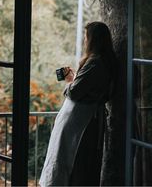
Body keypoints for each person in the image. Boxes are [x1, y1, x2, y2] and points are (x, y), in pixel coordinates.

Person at [39, 21, 117, 187]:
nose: (84, 41)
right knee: (73, 163)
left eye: (86, 37)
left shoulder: (95, 62)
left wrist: (69, 82)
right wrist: (75, 80)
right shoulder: (103, 62)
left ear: (93, 40)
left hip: (79, 122)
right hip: (82, 119)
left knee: (72, 163)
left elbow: (74, 92)